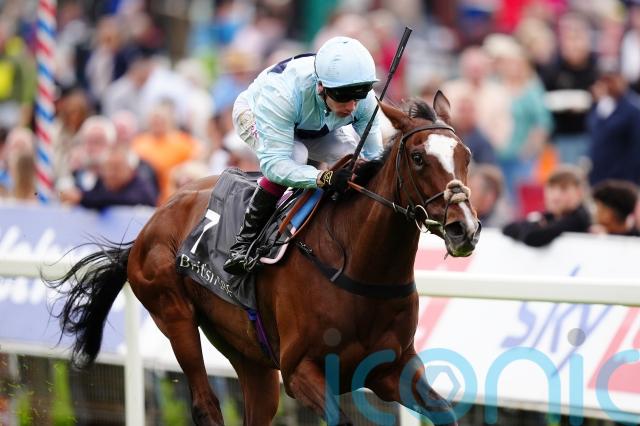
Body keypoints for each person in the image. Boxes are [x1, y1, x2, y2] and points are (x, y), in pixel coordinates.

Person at [223, 36, 383, 275]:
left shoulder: (363, 98)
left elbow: (375, 157)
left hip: (312, 122)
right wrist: (324, 178)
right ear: (321, 87)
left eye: (358, 96)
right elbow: (275, 165)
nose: (352, 106)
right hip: (258, 114)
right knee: (296, 155)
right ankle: (244, 243)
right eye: (344, 96)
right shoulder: (281, 94)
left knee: (350, 157)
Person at [502, 165, 590, 247]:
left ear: (579, 192)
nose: (556, 196)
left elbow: (533, 238)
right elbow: (508, 229)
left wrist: (533, 226)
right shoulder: (550, 216)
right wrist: (534, 225)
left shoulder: (579, 218)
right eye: (551, 188)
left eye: (564, 189)